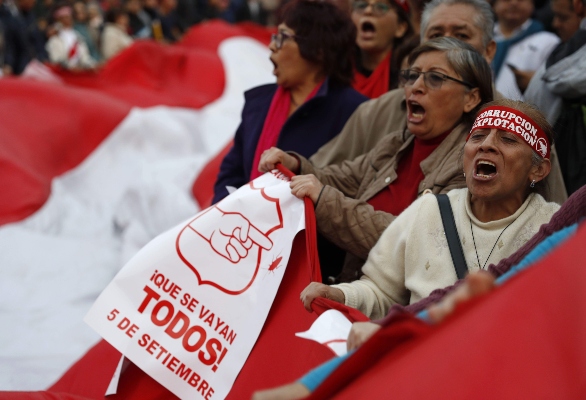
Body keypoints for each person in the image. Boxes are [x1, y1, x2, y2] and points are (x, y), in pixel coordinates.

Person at [254, 98, 562, 400]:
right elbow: (381, 292)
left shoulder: (554, 233)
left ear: (539, 170)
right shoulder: (428, 211)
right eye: (478, 136)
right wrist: (342, 295)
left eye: (508, 139)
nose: (486, 145)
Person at [259, 37, 493, 281]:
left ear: (471, 99)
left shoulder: (472, 166)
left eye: (435, 78)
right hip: (352, 288)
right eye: (412, 76)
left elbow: (407, 241)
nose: (416, 86)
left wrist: (324, 199)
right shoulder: (396, 143)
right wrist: (296, 165)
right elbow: (343, 179)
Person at [309, 0, 568, 206]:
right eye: (436, 35)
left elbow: (554, 224)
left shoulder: (525, 127)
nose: (447, 46)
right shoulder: (375, 112)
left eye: (461, 35)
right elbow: (321, 175)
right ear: (420, 46)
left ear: (489, 51)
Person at [212, 0, 368, 204]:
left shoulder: (355, 113)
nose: (271, 46)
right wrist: (230, 212)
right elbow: (230, 173)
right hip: (246, 231)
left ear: (318, 49)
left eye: (282, 37)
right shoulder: (258, 105)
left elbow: (353, 186)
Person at [524, 0, 586, 196]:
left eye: (563, 17)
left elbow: (566, 81)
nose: (555, 24)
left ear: (579, 7)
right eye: (555, 16)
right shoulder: (568, 50)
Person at [491, 0, 560, 99]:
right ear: (494, 4)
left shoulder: (549, 42)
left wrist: (536, 83)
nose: (514, 3)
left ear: (532, 3)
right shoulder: (481, 37)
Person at [351, 0, 414, 97]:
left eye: (380, 7)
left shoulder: (410, 75)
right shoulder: (334, 69)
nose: (368, 11)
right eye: (361, 5)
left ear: (400, 28)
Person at [45, 4, 97, 70]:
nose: (69, 19)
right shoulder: (55, 38)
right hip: (65, 73)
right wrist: (70, 67)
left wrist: (92, 65)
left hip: (79, 71)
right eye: (66, 17)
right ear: (59, 19)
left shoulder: (77, 36)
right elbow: (56, 60)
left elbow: (85, 57)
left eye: (70, 17)